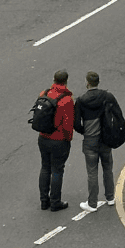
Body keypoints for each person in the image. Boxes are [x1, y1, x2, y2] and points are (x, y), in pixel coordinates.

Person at [73, 70, 119, 213]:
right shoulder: (107, 96)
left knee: (92, 173)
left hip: (90, 141)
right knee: (108, 169)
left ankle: (92, 203)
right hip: (105, 140)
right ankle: (110, 198)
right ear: (98, 82)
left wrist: (84, 131)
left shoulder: (81, 100)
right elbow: (118, 115)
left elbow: (76, 123)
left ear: (87, 82)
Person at [36, 69, 75, 211]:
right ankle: (55, 202)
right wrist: (68, 139)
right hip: (59, 141)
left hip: (43, 138)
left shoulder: (44, 94)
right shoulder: (66, 100)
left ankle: (43, 201)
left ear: (54, 80)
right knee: (57, 170)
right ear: (66, 81)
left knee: (45, 167)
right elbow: (68, 124)